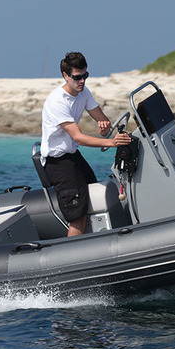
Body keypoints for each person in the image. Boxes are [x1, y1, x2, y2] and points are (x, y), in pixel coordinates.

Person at [41, 52, 132, 237]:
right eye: (77, 77)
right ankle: (71, 254)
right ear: (65, 76)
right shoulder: (57, 102)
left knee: (93, 196)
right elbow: (78, 137)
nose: (82, 81)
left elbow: (102, 120)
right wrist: (111, 142)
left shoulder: (84, 92)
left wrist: (105, 128)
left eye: (85, 76)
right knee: (78, 214)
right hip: (58, 161)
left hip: (72, 156)